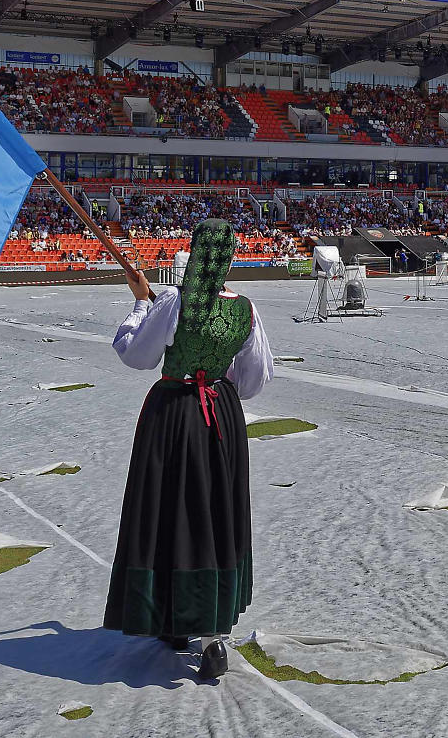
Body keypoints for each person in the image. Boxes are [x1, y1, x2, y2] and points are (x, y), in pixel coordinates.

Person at [104, 218, 274, 680]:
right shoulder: (245, 310)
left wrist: (141, 304)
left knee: (169, 513)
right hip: (220, 417)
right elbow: (255, 377)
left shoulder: (175, 302)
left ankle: (173, 618)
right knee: (214, 513)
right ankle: (210, 633)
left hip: (174, 417)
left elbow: (134, 354)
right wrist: (218, 380)